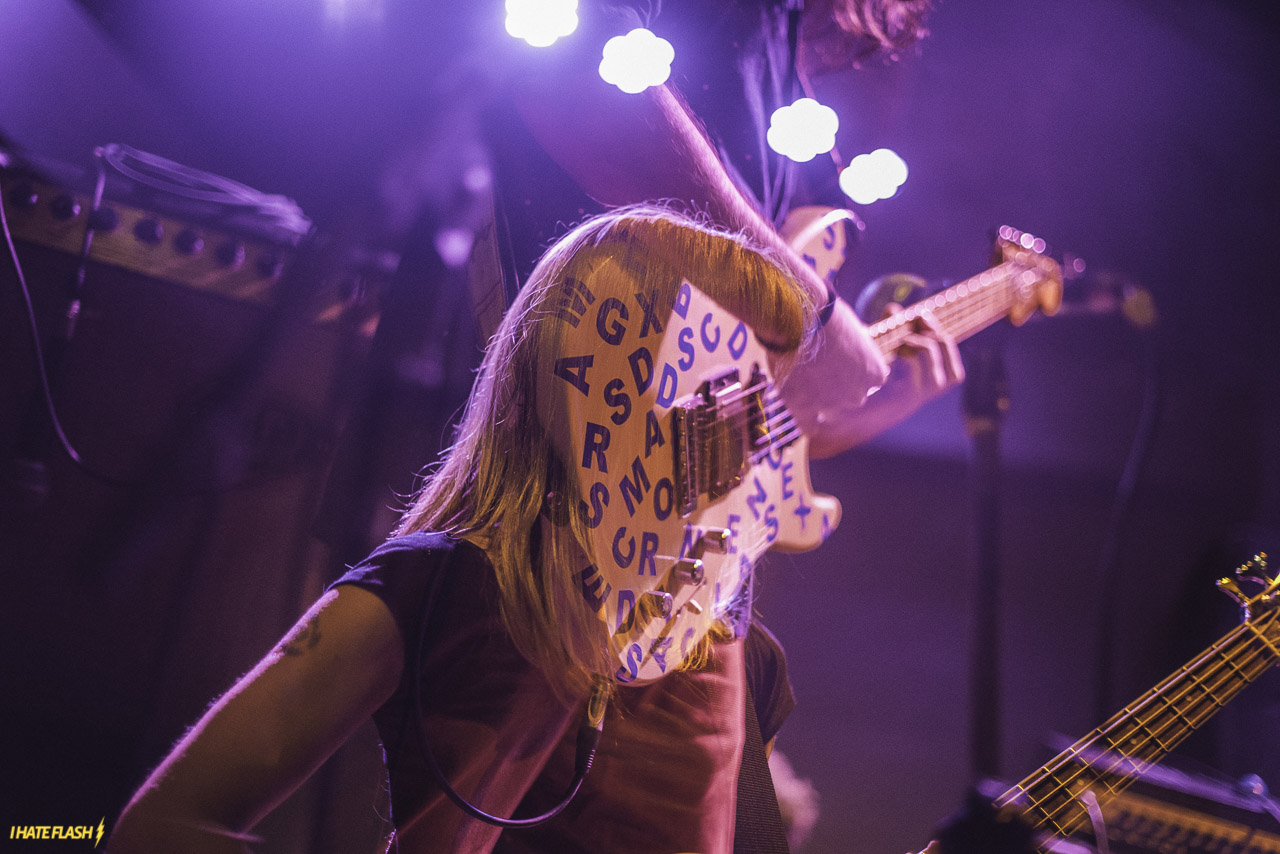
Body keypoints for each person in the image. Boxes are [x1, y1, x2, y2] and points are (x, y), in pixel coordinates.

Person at [107, 1, 962, 852]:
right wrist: (804, 308)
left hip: (689, 601)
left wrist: (858, 389)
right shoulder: (453, 580)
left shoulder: (707, 642)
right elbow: (154, 833)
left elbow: (750, 419)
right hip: (553, 550)